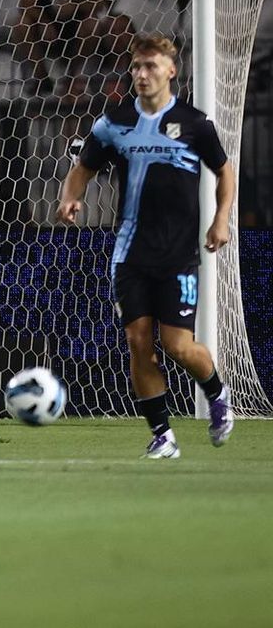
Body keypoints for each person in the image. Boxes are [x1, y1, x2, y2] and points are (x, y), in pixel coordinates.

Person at [57, 34, 235, 458]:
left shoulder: (195, 123)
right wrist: (70, 197)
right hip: (129, 253)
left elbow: (225, 171)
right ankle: (162, 435)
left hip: (178, 256)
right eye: (136, 66)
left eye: (150, 66)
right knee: (138, 342)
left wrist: (221, 219)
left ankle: (217, 393)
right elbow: (83, 167)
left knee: (178, 346)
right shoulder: (114, 122)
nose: (141, 74)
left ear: (171, 70)